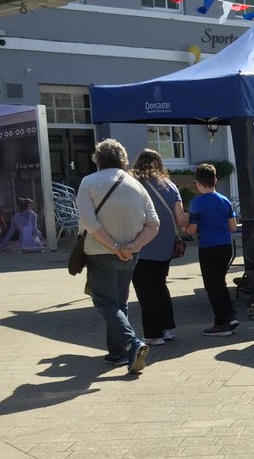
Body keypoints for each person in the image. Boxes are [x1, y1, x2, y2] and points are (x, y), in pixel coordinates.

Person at [76, 139, 161, 374]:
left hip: (100, 252)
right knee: (119, 304)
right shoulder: (137, 185)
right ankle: (117, 353)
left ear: (97, 159)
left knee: (105, 302)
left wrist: (114, 246)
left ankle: (132, 344)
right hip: (130, 256)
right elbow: (153, 224)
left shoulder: (89, 182)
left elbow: (88, 222)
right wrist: (131, 246)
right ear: (123, 159)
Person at [130, 150, 189, 345]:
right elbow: (180, 219)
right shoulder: (170, 186)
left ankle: (153, 334)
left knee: (146, 291)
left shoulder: (132, 184)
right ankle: (168, 329)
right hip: (165, 246)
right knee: (161, 286)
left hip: (141, 244)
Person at [185, 163, 238, 337]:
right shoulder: (225, 200)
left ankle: (221, 323)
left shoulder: (196, 203)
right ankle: (230, 316)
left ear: (198, 184)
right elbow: (233, 227)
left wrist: (185, 228)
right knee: (220, 282)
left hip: (208, 247)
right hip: (225, 246)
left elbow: (192, 230)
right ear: (215, 180)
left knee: (212, 286)